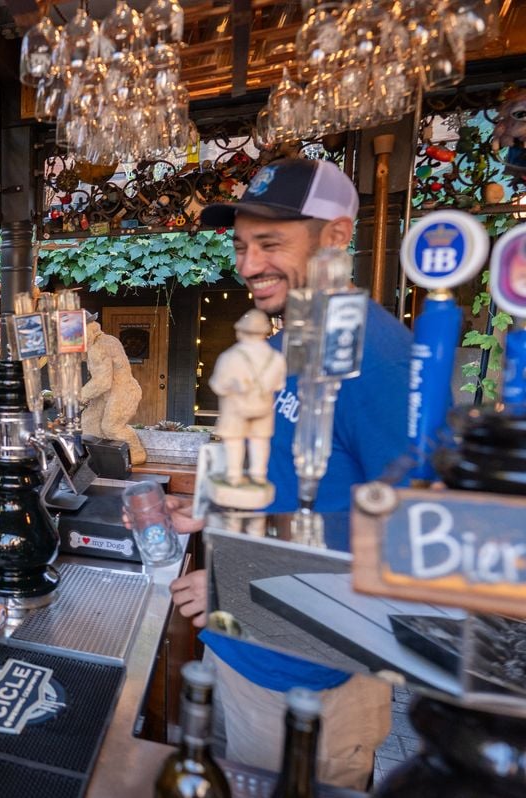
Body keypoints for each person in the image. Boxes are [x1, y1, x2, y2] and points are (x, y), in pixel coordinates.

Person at [170, 158, 412, 790]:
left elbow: (406, 563)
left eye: (271, 243)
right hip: (238, 656)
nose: (249, 266)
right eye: (242, 246)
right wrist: (212, 508)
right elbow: (294, 480)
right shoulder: (285, 346)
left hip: (313, 689)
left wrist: (236, 592)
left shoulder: (379, 358)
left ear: (335, 237)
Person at [208, 309, 286, 487]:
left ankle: (234, 475)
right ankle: (258, 475)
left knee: (234, 441)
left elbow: (218, 385)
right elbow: (280, 385)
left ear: (241, 332)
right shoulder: (277, 358)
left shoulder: (230, 357)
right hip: (264, 408)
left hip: (235, 409)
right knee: (260, 441)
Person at [80, 319, 148, 464]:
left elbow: (102, 381)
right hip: (108, 393)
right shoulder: (107, 340)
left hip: (122, 392)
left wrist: (81, 396)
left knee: (111, 427)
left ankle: (136, 454)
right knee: (90, 421)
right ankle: (99, 457)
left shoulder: (98, 348)